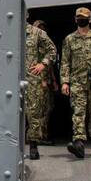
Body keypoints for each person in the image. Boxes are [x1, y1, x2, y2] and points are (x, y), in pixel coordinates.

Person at [60, 7, 91, 159]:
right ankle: (79, 144)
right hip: (77, 83)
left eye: (83, 17)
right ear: (75, 20)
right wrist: (65, 82)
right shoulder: (69, 39)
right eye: (78, 17)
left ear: (89, 20)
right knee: (78, 113)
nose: (80, 20)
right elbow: (65, 62)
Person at [24, 18, 56, 160]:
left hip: (32, 80)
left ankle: (33, 146)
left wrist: (43, 64)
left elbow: (52, 50)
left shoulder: (37, 33)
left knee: (33, 113)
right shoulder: (7, 33)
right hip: (10, 79)